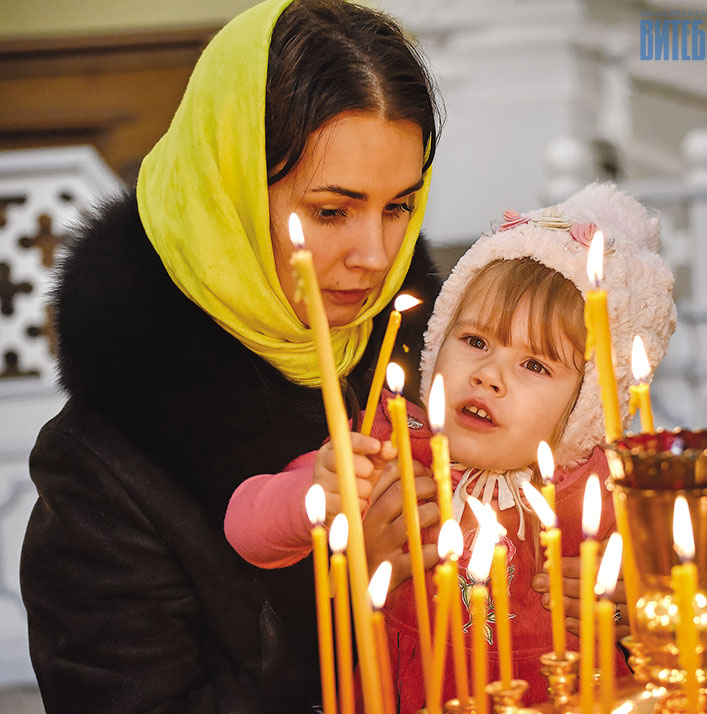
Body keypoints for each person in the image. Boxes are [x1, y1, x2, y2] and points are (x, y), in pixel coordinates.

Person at [19, 1, 444, 712]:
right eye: (333, 211)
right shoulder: (100, 471)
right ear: (231, 195)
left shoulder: (445, 359)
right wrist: (348, 597)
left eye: (398, 206)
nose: (376, 258)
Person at [224, 182, 707, 712]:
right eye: (475, 341)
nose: (489, 375)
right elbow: (245, 526)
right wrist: (316, 497)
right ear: (438, 340)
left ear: (587, 402)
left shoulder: (607, 484)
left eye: (535, 364)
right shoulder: (389, 444)